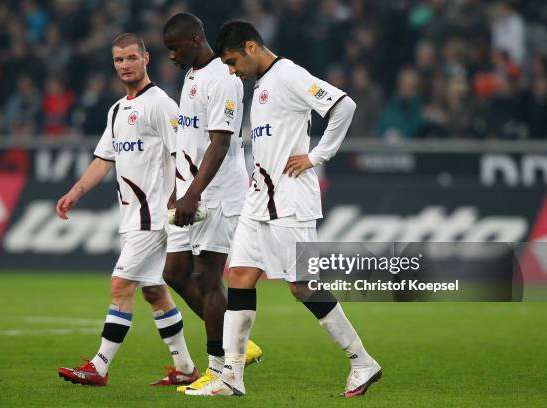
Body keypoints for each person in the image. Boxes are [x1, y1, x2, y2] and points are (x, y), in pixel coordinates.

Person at [187, 21, 381, 398]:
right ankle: (232, 377)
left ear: (251, 47)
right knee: (240, 276)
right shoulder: (260, 85)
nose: (230, 70)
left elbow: (344, 105)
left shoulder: (288, 74)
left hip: (292, 203)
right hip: (258, 202)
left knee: (303, 286)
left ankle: (361, 361)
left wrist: (316, 156)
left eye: (232, 61)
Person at [56, 33, 198, 387]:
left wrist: (179, 197)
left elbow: (183, 151)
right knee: (153, 291)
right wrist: (76, 191)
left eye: (131, 58)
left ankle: (99, 367)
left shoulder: (160, 103)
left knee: (121, 285)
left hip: (154, 215)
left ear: (146, 59)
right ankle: (185, 368)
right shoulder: (118, 109)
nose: (125, 65)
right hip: (134, 215)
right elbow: (104, 159)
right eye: (119, 60)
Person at [160, 13, 262, 392]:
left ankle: (219, 369)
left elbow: (219, 144)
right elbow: (189, 140)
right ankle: (238, 344)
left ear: (195, 39)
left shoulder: (224, 78)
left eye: (175, 48)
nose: (171, 56)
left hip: (218, 194)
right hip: (193, 190)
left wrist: (193, 192)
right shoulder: (191, 74)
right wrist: (178, 187)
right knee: (173, 273)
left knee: (207, 278)